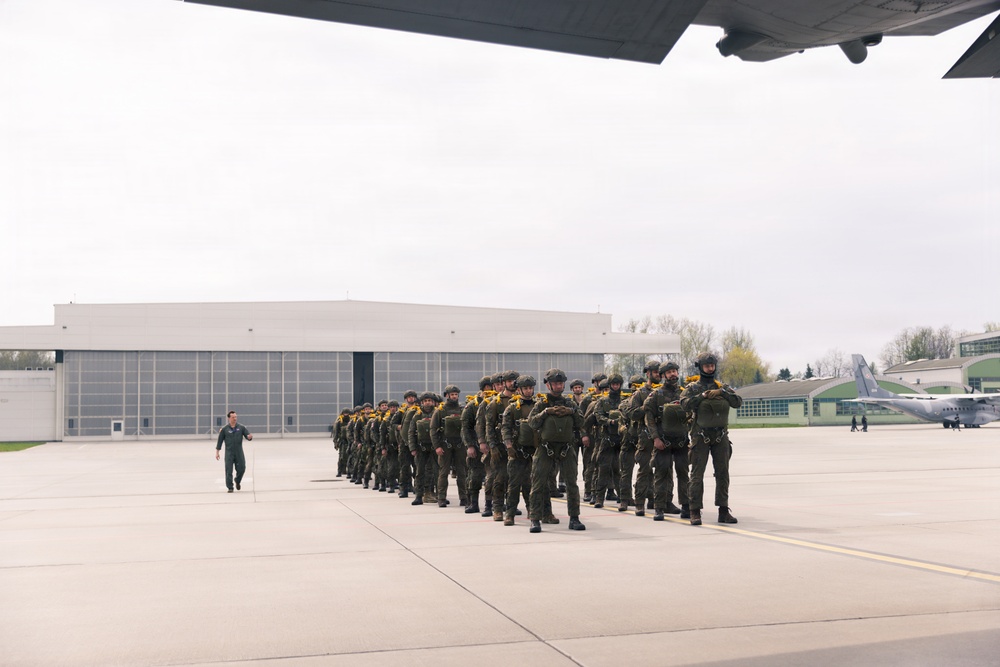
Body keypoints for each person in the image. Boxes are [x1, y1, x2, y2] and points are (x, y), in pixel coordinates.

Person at [680, 353, 742, 526]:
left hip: (720, 436)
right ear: (700, 367)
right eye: (706, 366)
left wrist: (723, 392)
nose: (710, 368)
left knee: (723, 474)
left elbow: (737, 402)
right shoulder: (693, 388)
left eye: (712, 365)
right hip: (701, 436)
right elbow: (684, 404)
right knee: (697, 475)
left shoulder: (722, 386)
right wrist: (703, 397)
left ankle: (723, 510)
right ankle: (694, 511)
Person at [526, 368, 588, 533]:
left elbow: (582, 421)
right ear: (548, 385)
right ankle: (535, 519)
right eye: (555, 383)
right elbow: (531, 422)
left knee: (572, 484)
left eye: (560, 383)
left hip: (566, 448)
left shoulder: (570, 403)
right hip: (546, 448)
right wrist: (546, 413)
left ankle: (574, 518)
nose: (558, 386)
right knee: (538, 484)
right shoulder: (541, 404)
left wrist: (572, 412)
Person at [643, 361, 690, 520]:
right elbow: (649, 418)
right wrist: (655, 438)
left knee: (684, 474)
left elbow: (692, 415)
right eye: (669, 372)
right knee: (661, 474)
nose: (673, 374)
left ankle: (686, 506)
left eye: (675, 371)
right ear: (663, 375)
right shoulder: (656, 396)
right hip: (663, 442)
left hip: (682, 441)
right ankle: (659, 508)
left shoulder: (684, 394)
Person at [430, 385, 468, 508]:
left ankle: (464, 497)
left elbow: (467, 427)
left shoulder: (463, 409)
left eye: (456, 394)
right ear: (447, 395)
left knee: (462, 472)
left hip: (460, 444)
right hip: (444, 445)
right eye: (452, 394)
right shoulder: (440, 410)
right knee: (443, 472)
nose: (454, 396)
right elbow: (433, 429)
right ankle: (441, 498)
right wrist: (437, 446)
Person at [215, 410, 253, 493]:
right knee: (228, 470)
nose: (235, 418)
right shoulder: (224, 429)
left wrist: (249, 437)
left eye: (236, 417)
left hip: (239, 452)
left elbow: (247, 435)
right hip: (229, 453)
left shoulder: (241, 427)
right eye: (233, 417)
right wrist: (217, 452)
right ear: (229, 418)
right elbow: (220, 441)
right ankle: (230, 487)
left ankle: (237, 480)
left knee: (242, 468)